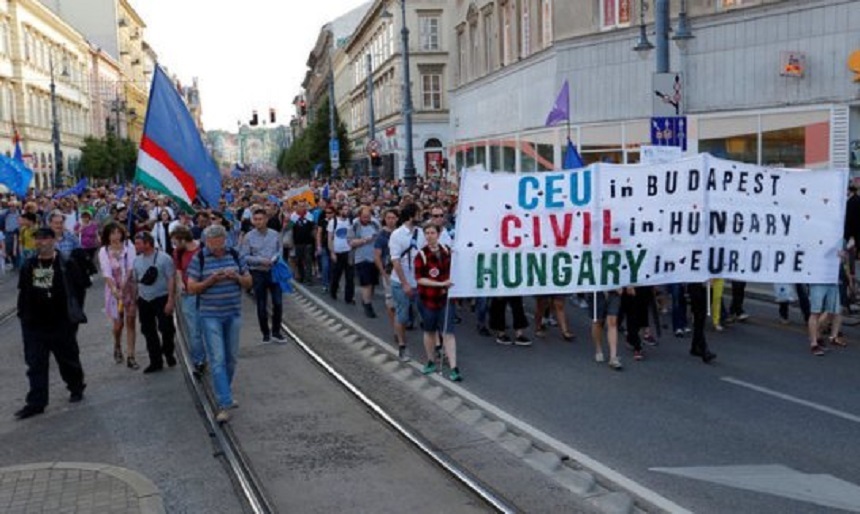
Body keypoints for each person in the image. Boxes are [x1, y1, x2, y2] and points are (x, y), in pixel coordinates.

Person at [14, 227, 88, 419]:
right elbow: (23, 291)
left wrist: (73, 317)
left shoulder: (66, 263)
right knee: (35, 364)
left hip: (60, 322)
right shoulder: (30, 265)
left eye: (44, 239)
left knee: (67, 358)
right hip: (35, 324)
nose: (40, 242)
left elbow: (79, 289)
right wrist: (24, 316)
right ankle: (36, 402)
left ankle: (76, 386)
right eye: (38, 239)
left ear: (53, 241)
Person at [187, 224, 253, 423]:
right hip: (210, 315)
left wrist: (237, 277)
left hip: (233, 313)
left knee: (231, 358)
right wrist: (211, 281)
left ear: (224, 240)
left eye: (219, 245)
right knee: (217, 358)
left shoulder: (234, 254)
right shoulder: (199, 258)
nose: (216, 249)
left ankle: (225, 390)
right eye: (212, 245)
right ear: (207, 242)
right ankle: (224, 402)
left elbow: (249, 282)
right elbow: (191, 287)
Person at [414, 223, 461, 381]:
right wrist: (441, 284)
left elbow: (455, 270)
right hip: (428, 300)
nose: (429, 236)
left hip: (445, 300)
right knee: (429, 331)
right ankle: (430, 360)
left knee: (448, 333)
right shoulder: (421, 255)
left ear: (438, 234)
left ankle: (454, 367)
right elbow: (420, 279)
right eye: (426, 233)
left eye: (432, 232)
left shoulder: (447, 251)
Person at [132, 231, 177, 373]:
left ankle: (168, 351)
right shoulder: (136, 260)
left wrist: (171, 300)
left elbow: (171, 279)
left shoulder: (164, 258)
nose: (136, 246)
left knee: (166, 328)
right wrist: (135, 299)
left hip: (162, 297)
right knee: (148, 330)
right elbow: (135, 281)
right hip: (144, 299)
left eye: (138, 243)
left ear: (148, 243)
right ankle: (155, 360)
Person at [239, 208, 285, 344]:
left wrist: (276, 258)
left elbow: (280, 250)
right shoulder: (249, 237)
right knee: (261, 303)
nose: (258, 222)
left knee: (278, 302)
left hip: (274, 270)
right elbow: (244, 256)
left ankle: (276, 331)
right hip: (258, 272)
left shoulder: (275, 235)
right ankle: (265, 333)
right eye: (255, 219)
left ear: (266, 220)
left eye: (260, 219)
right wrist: (259, 260)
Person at [98, 222, 139, 369]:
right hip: (114, 290)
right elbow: (106, 272)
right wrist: (114, 288)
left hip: (129, 287)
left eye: (118, 232)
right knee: (118, 324)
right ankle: (117, 345)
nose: (116, 236)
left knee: (131, 321)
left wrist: (125, 281)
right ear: (107, 236)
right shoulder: (104, 251)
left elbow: (131, 266)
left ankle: (131, 356)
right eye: (112, 233)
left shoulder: (129, 246)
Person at [388, 202, 425, 361]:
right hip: (400, 282)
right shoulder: (397, 235)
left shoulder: (421, 233)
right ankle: (402, 346)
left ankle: (435, 346)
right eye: (419, 213)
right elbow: (396, 261)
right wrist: (405, 283)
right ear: (411, 216)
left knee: (426, 314)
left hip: (419, 282)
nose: (421, 216)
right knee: (402, 315)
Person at [171, 225, 207, 376]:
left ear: (183, 239)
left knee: (208, 325)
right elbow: (178, 269)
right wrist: (180, 283)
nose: (174, 245)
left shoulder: (203, 249)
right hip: (189, 293)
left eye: (175, 242)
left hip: (205, 291)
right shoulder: (178, 253)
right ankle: (199, 359)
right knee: (193, 329)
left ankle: (213, 355)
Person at [350, 206, 381, 318]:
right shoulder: (355, 225)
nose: (367, 219)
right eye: (364, 217)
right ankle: (367, 306)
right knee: (366, 283)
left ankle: (366, 300)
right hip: (361, 258)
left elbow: (379, 235)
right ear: (359, 216)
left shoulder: (375, 223)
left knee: (372, 283)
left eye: (368, 216)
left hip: (374, 257)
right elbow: (351, 242)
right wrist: (364, 240)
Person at [374, 208, 399, 336]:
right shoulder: (381, 235)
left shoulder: (400, 233)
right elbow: (377, 255)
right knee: (391, 302)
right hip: (388, 271)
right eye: (388, 218)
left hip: (401, 271)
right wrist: (383, 273)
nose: (391, 220)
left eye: (393, 218)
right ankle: (395, 328)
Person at [328, 202, 355, 304]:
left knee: (350, 277)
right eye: (344, 209)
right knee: (336, 275)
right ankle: (333, 291)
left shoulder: (351, 221)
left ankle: (349, 298)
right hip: (337, 252)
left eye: (347, 209)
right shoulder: (333, 222)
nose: (346, 211)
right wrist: (332, 252)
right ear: (339, 211)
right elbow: (330, 238)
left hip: (348, 252)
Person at [588, 291, 623, 370]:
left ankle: (613, 357)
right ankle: (598, 349)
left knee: (613, 321)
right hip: (597, 291)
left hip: (614, 289)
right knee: (598, 321)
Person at [290, 199, 316, 284]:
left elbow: (313, 228)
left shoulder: (310, 216)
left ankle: (309, 279)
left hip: (308, 242)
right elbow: (290, 229)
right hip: (298, 242)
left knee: (308, 260)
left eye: (304, 206)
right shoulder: (293, 216)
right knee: (299, 260)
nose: (302, 208)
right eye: (300, 206)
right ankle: (301, 276)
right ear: (297, 207)